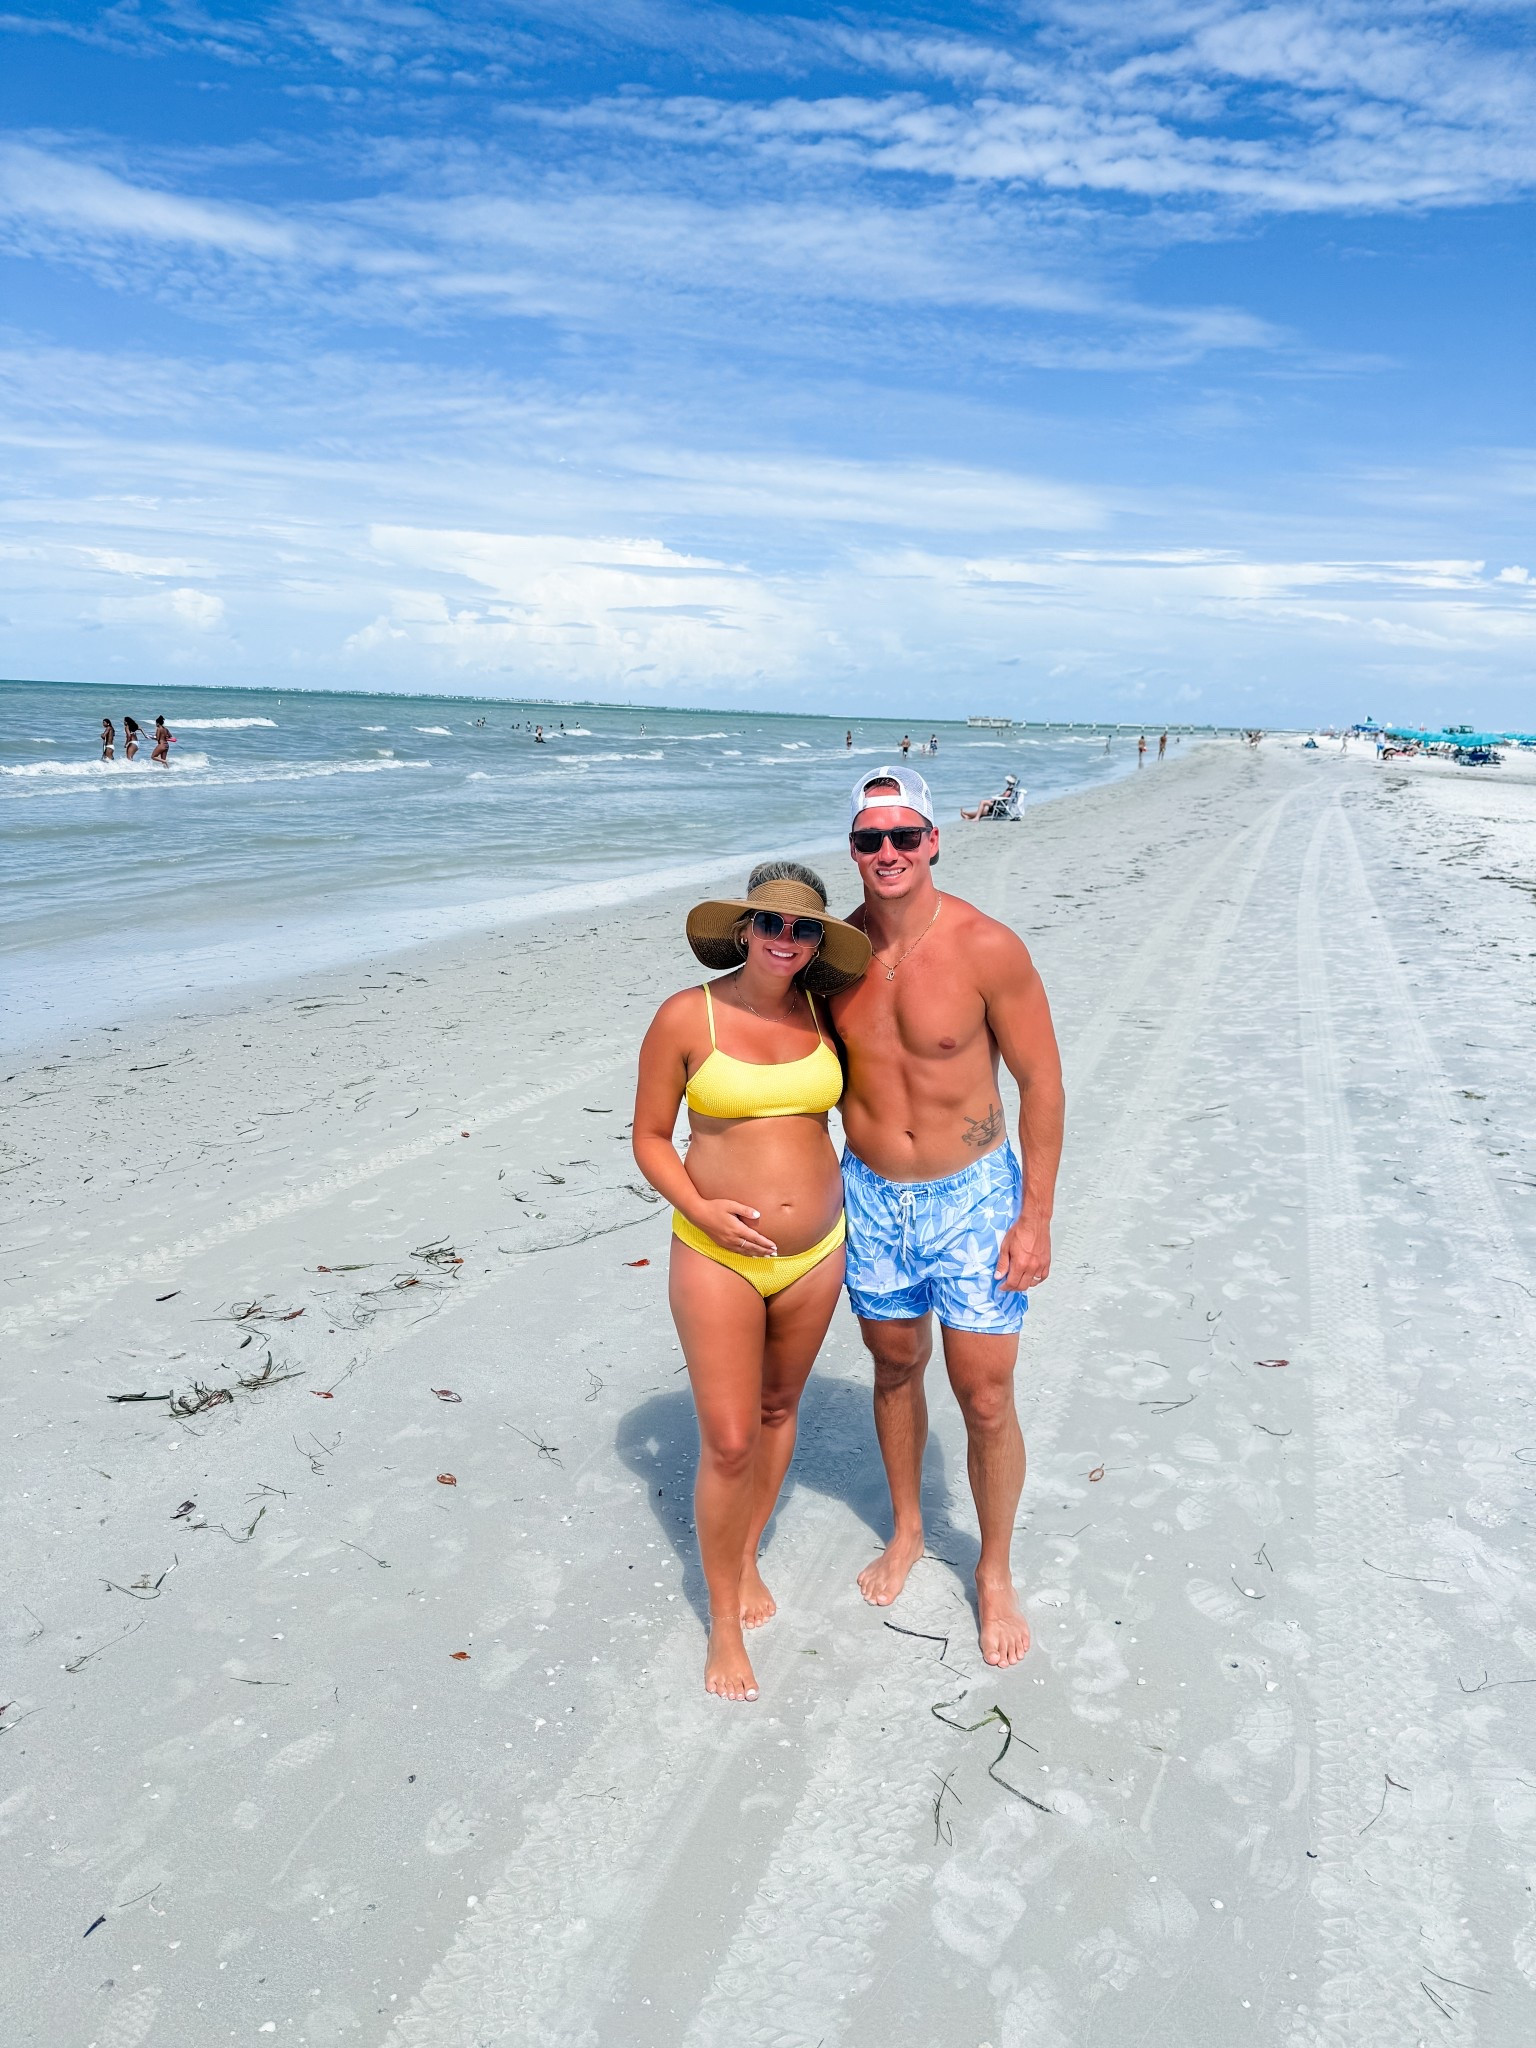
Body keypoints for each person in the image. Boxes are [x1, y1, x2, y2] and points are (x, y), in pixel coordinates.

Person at [830, 766, 1064, 1667]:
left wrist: (1034, 1217)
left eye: (904, 836)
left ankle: (994, 1570)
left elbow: (1042, 1084)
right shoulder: (831, 956)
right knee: (894, 1366)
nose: (887, 852)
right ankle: (907, 1530)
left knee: (987, 1394)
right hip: (870, 1195)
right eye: (870, 839)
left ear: (933, 841)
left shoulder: (986, 947)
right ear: (854, 851)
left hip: (974, 1197)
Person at [633, 863, 872, 1702]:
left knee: (777, 1410)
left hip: (818, 1251)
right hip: (715, 1252)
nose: (786, 939)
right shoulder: (685, 1016)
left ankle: (742, 1552)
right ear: (742, 929)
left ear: (818, 943)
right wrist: (701, 1206)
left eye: (804, 929)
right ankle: (724, 1621)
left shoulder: (826, 1014)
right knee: (730, 1439)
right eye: (771, 924)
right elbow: (650, 1137)